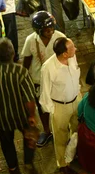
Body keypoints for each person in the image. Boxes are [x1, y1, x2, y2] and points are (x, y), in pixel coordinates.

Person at [0, 38, 37, 171]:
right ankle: (28, 161)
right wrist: (31, 115)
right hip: (21, 115)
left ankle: (12, 166)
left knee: (6, 142)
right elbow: (29, 98)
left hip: (2, 116)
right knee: (28, 137)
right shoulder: (21, 72)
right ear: (13, 54)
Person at [22, 11, 66, 147]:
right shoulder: (30, 40)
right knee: (42, 108)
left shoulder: (60, 38)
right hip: (38, 81)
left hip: (57, 80)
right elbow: (27, 61)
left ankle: (62, 130)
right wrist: (25, 79)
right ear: (39, 30)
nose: (51, 31)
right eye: (47, 30)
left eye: (52, 27)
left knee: (59, 106)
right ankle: (47, 131)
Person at [40, 37, 80, 171]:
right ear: (64, 54)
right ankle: (63, 163)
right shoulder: (48, 68)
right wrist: (53, 111)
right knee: (60, 137)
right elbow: (44, 92)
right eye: (72, 48)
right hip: (60, 106)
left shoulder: (72, 58)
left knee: (77, 131)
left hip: (76, 100)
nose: (75, 49)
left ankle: (75, 155)